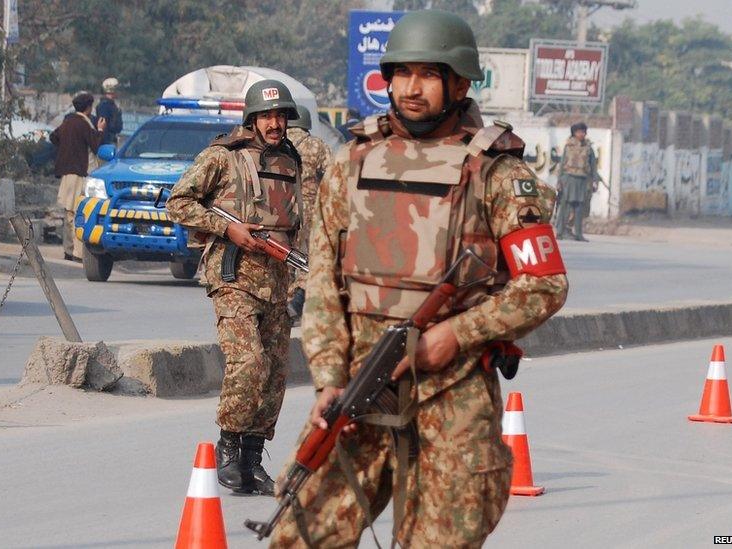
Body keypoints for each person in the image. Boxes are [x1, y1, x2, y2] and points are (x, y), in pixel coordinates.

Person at [269, 10, 569, 547]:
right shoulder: (351, 163)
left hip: (451, 395)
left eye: (428, 74)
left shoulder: (499, 173)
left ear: (459, 82)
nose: (411, 88)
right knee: (301, 534)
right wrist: (329, 378)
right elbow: (323, 286)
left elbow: (544, 286)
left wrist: (455, 335)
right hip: (361, 387)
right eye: (401, 73)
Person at [166, 79, 303, 496]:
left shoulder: (290, 161)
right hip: (234, 277)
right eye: (268, 116)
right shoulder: (222, 157)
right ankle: (228, 445)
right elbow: (179, 202)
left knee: (276, 374)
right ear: (253, 118)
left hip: (279, 282)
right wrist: (228, 227)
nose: (276, 123)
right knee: (249, 363)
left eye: (281, 116)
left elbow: (298, 223)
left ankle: (250, 460)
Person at [285, 105, 333, 321]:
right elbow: (333, 175)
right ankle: (298, 299)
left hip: (281, 209)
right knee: (308, 257)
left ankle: (283, 303)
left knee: (283, 254)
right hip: (310, 211)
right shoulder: (316, 145)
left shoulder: (277, 143)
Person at [51, 92, 106, 261]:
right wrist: (100, 130)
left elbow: (54, 137)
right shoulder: (84, 124)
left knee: (68, 213)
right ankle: (78, 253)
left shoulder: (67, 122)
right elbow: (96, 146)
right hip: (80, 174)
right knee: (79, 213)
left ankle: (68, 250)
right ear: (88, 108)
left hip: (66, 174)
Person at [556, 122, 598, 241]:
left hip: (582, 180)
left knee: (579, 208)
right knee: (565, 206)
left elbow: (593, 166)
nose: (581, 134)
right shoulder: (568, 146)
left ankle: (578, 234)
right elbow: (562, 164)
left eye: (583, 132)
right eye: (579, 132)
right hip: (568, 179)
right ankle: (559, 232)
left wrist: (595, 181)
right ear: (574, 133)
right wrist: (559, 181)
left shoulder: (589, 148)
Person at [96, 77, 124, 146]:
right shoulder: (104, 106)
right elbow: (103, 126)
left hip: (111, 140)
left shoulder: (113, 105)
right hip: (107, 142)